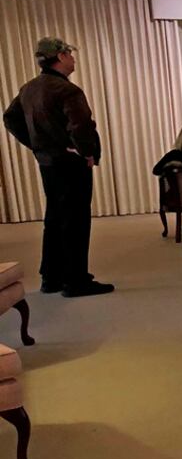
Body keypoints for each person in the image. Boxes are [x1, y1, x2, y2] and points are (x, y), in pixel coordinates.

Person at [2, 37, 113, 297]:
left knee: (54, 218)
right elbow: (81, 126)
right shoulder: (67, 91)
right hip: (71, 164)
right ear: (61, 56)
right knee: (75, 219)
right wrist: (85, 152)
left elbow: (10, 118)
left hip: (48, 162)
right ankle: (76, 280)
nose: (73, 59)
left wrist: (38, 145)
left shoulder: (29, 88)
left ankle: (51, 277)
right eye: (70, 54)